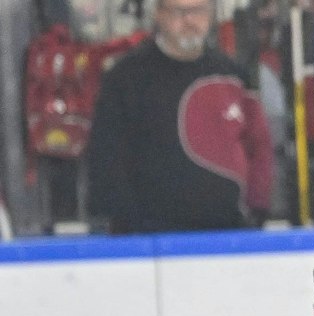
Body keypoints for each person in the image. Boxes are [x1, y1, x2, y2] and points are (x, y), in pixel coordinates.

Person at [84, 0, 273, 233]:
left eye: (198, 10)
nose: (190, 20)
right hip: (149, 241)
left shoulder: (234, 76)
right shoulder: (125, 79)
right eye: (179, 11)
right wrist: (122, 226)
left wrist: (258, 207)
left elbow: (259, 147)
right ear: (159, 14)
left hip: (227, 236)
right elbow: (105, 157)